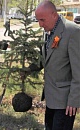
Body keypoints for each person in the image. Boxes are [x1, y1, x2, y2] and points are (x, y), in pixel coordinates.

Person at [34, 1, 80, 130]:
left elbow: (78, 70)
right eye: (38, 20)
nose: (40, 24)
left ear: (54, 14)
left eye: (42, 20)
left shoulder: (72, 31)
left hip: (65, 101)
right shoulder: (48, 30)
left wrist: (74, 100)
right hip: (51, 96)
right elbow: (46, 59)